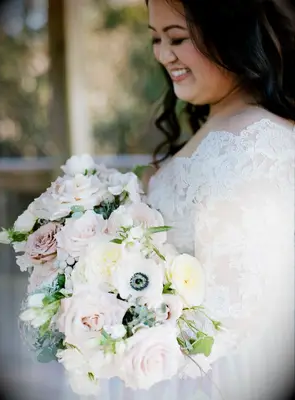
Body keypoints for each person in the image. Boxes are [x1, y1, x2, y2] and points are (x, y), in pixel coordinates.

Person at [100, 1, 294, 400]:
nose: (162, 54)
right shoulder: (220, 129)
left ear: (230, 36)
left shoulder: (252, 148)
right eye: (155, 39)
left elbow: (239, 321)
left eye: (176, 38)